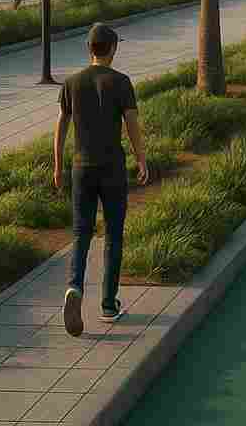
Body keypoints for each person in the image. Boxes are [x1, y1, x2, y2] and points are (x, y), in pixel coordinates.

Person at [53, 23, 148, 336]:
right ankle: (108, 304)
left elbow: (61, 127)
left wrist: (57, 165)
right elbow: (132, 123)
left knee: (81, 231)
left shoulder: (71, 83)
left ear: (88, 48)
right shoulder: (120, 82)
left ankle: (73, 288)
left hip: (81, 167)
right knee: (114, 234)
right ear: (113, 49)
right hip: (112, 167)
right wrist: (141, 158)